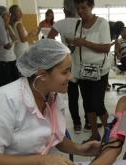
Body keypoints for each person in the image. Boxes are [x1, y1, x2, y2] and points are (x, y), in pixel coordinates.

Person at [0, 39, 100, 165]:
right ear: (42, 75)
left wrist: (79, 149)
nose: (71, 77)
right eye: (65, 72)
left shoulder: (53, 97)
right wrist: (42, 161)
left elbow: (53, 137)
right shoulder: (5, 99)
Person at [66, 0, 111, 142]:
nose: (80, 11)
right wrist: (71, 44)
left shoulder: (101, 23)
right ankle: (94, 134)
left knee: (98, 103)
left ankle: (110, 134)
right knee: (87, 104)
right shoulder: (78, 25)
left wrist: (84, 42)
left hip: (99, 71)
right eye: (78, 8)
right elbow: (75, 49)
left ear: (91, 7)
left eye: (83, 7)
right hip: (82, 71)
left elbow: (106, 48)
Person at [48, 0, 93, 133]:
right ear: (77, 9)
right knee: (86, 96)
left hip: (67, 66)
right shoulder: (85, 23)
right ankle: (88, 124)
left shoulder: (60, 24)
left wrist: (63, 49)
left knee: (72, 97)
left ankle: (77, 124)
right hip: (84, 64)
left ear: (64, 10)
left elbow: (49, 41)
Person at [0, 6, 19, 88]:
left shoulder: (8, 27)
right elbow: (7, 46)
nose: (9, 16)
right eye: (6, 15)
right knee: (6, 86)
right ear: (0, 17)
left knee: (15, 84)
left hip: (12, 59)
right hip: (3, 62)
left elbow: (15, 39)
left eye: (8, 14)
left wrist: (8, 27)